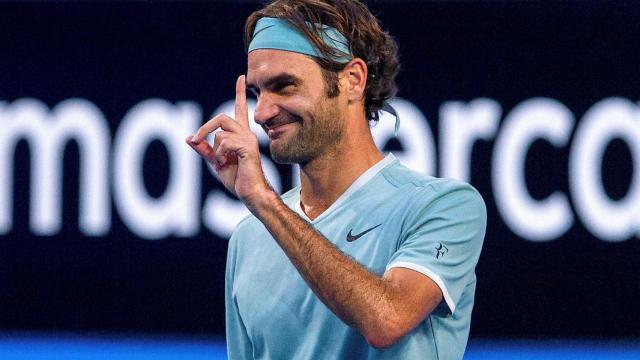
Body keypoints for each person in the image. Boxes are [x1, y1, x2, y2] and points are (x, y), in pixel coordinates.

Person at [186, 1, 486, 359]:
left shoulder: (445, 207)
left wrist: (265, 202)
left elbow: (386, 319)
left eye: (284, 86)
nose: (262, 113)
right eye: (257, 92)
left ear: (352, 80)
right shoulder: (249, 238)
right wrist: (264, 208)